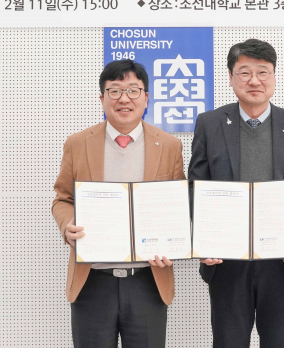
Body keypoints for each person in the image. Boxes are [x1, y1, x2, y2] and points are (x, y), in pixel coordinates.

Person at [188, 39, 284, 348]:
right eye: (244, 72)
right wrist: (203, 235)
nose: (254, 80)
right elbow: (195, 186)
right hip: (227, 260)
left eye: (263, 72)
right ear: (231, 78)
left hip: (283, 261)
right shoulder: (210, 124)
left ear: (274, 77)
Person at [52, 59, 186, 348]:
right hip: (92, 280)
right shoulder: (78, 143)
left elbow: (178, 204)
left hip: (148, 281)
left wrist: (174, 241)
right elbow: (63, 199)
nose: (124, 99)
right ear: (102, 98)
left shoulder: (169, 145)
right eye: (115, 91)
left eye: (133, 90)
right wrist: (67, 224)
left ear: (146, 98)